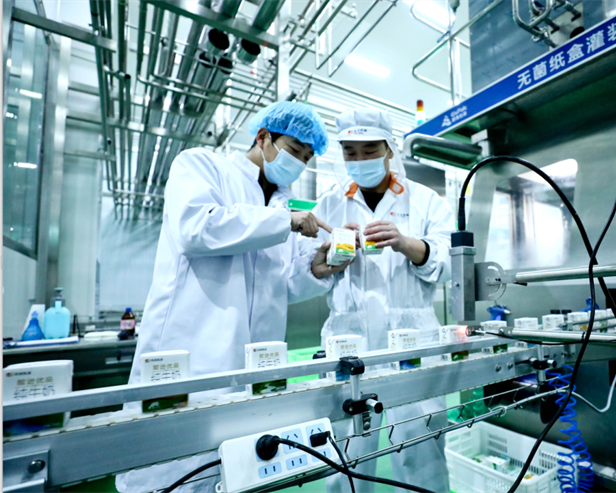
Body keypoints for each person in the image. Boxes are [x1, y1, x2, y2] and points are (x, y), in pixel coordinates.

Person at [116, 101, 348, 493]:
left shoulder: (281, 205)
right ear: (263, 137)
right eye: (294, 150)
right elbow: (195, 229)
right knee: (171, 474)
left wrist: (315, 268)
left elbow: (281, 284)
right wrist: (284, 221)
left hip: (255, 366)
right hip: (190, 357)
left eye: (307, 158)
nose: (299, 163)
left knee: (237, 474)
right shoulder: (203, 166)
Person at [312, 108, 453, 493]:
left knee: (421, 447)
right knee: (346, 454)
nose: (359, 160)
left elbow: (447, 265)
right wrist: (332, 255)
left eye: (369, 150)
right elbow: (310, 270)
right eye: (350, 152)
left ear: (389, 149)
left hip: (412, 339)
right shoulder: (329, 203)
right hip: (348, 340)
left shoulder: (425, 200)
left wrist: (406, 243)